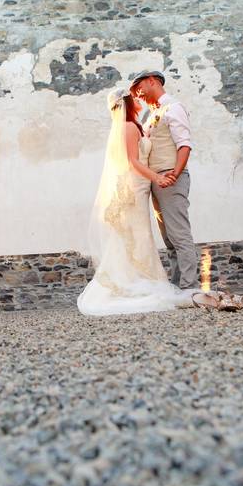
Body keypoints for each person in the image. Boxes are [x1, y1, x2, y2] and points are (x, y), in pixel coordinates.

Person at [77, 88, 192, 315]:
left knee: (139, 234)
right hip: (136, 185)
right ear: (129, 103)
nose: (139, 100)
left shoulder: (135, 125)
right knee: (137, 235)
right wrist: (156, 176)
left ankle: (140, 277)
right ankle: (136, 280)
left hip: (141, 185)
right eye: (134, 99)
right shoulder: (129, 127)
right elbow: (132, 160)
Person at [130, 71, 199, 292]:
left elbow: (184, 144)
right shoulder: (150, 116)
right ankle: (178, 285)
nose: (137, 94)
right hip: (157, 180)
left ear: (152, 81)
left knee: (179, 234)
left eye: (138, 88)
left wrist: (175, 174)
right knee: (168, 237)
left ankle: (190, 286)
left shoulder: (174, 108)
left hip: (170, 177)